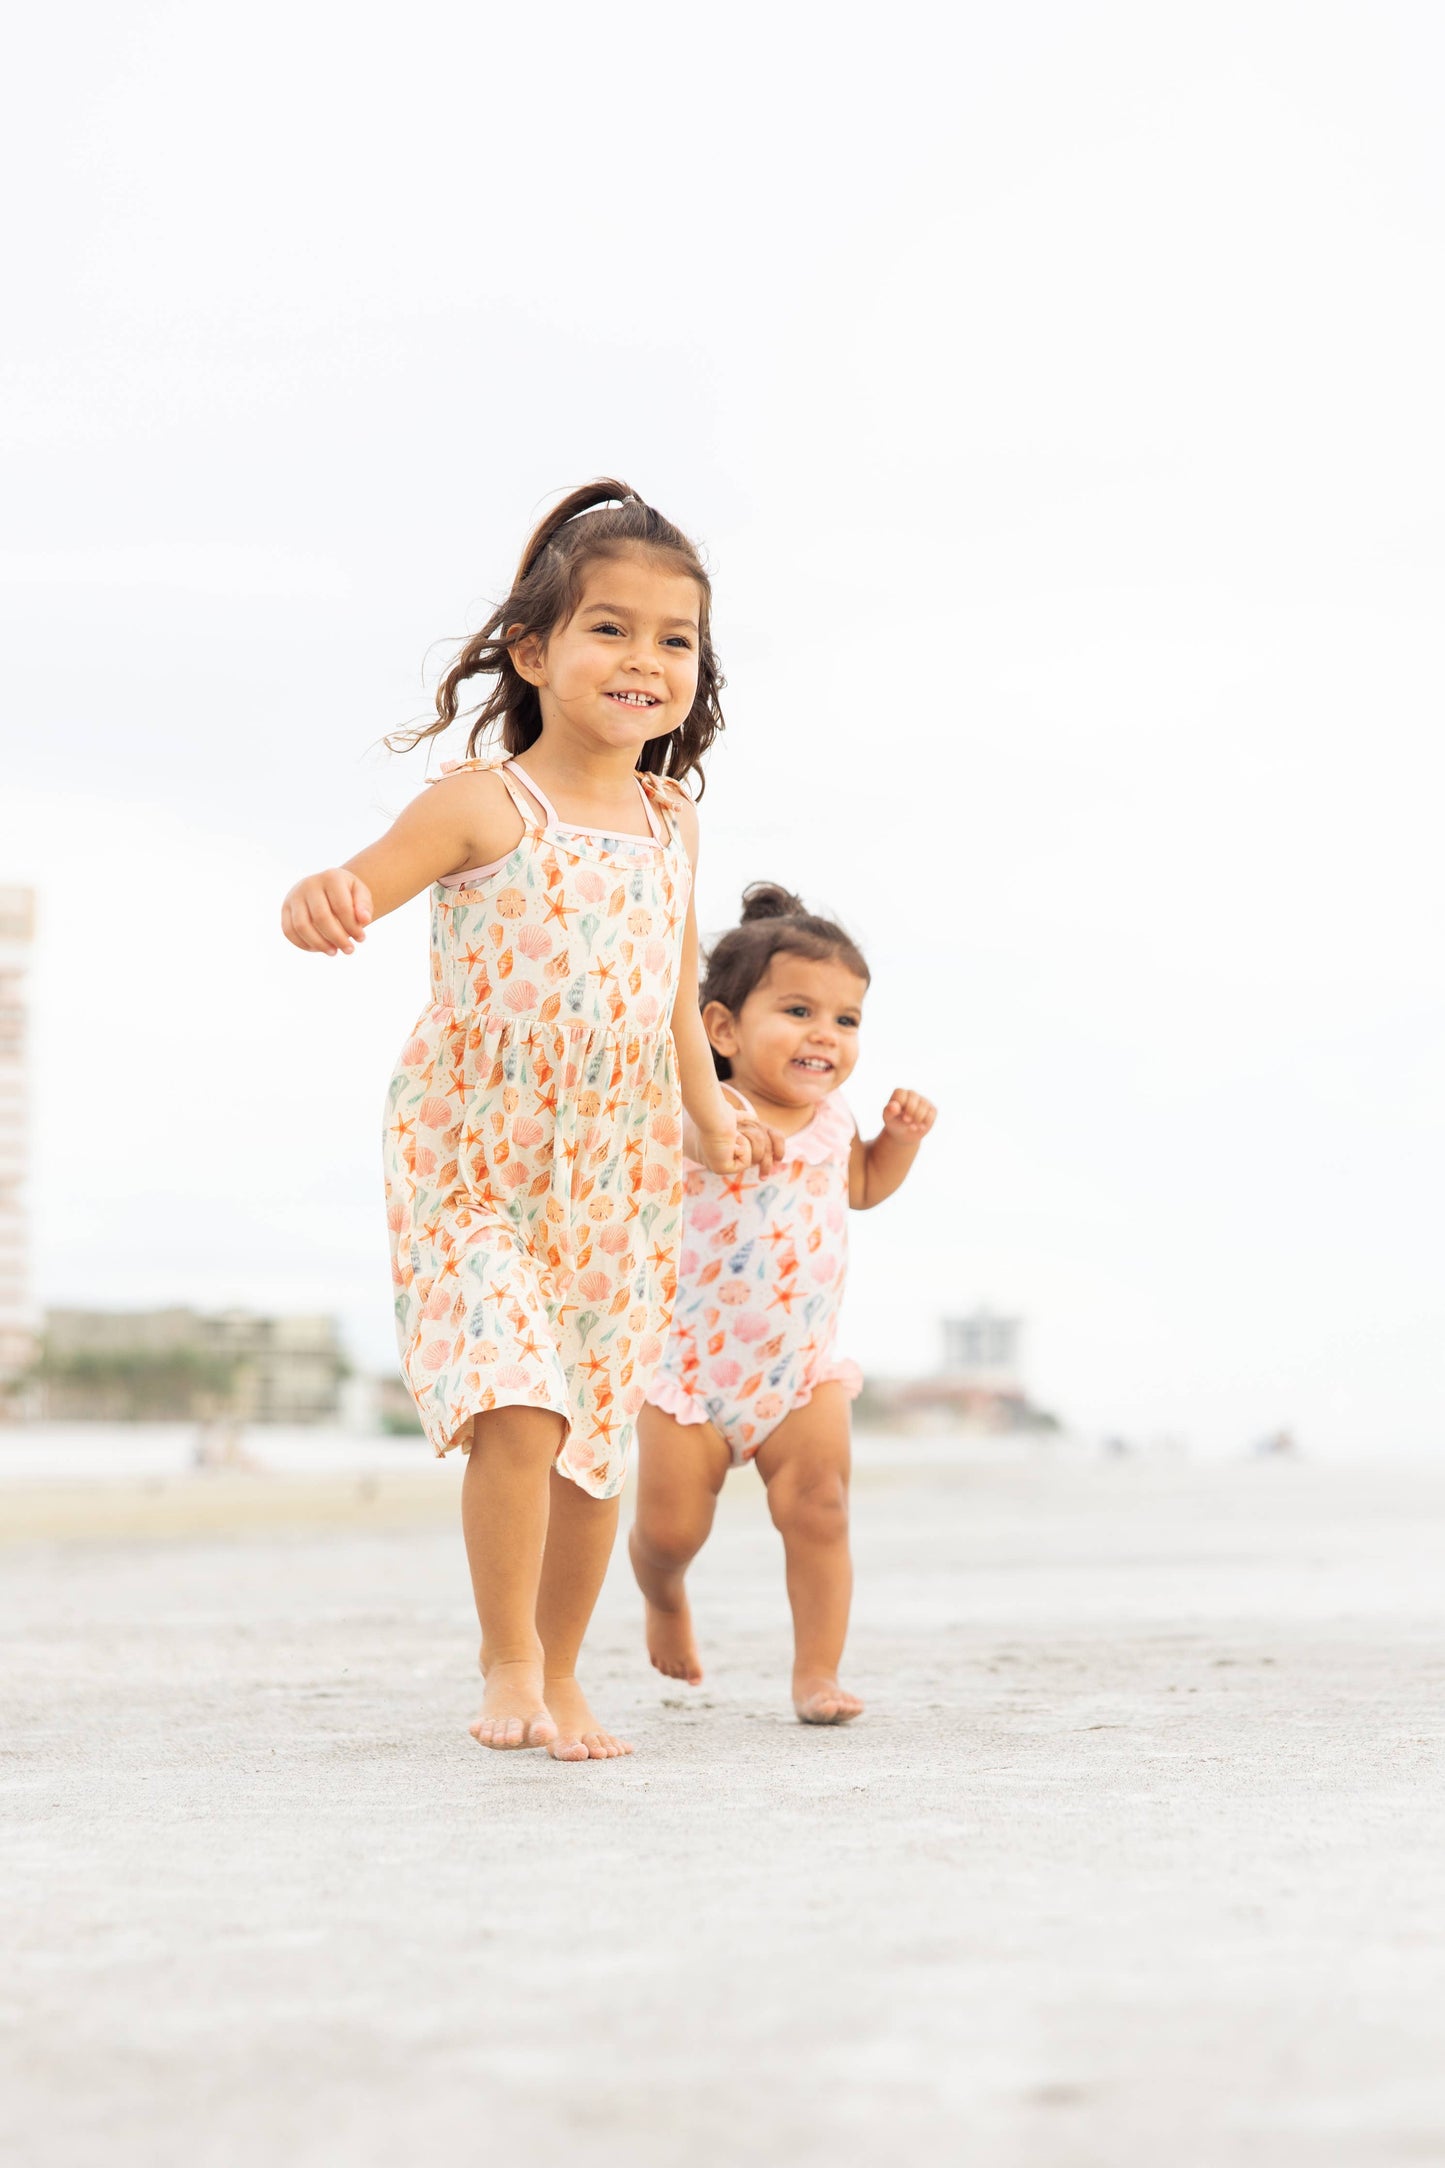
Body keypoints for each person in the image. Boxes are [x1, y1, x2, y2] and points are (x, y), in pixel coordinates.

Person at [281, 481, 778, 1763]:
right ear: (533, 650)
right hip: (475, 1156)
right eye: (609, 629)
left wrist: (707, 1108)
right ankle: (506, 1659)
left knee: (591, 1439)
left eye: (675, 640)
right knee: (517, 1402)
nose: (644, 661)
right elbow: (361, 881)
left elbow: (673, 987)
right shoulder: (483, 804)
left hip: (619, 1169)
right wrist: (322, 894)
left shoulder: (671, 821)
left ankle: (563, 1672)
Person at [629, 884, 936, 1724]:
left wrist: (895, 1143)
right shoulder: (703, 1105)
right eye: (798, 1010)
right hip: (689, 1376)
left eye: (846, 1021)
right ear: (721, 1029)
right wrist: (720, 1128)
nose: (825, 1036)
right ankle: (663, 1595)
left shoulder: (834, 1122)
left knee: (820, 1512)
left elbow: (864, 1188)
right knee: (669, 1533)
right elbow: (689, 1144)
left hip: (799, 1374)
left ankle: (816, 1673)